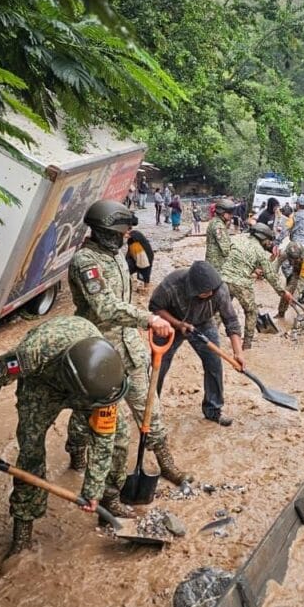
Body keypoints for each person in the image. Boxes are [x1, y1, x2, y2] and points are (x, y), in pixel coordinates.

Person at [0, 317, 132, 554]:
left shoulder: (105, 376)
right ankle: (23, 530)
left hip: (86, 387)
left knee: (119, 439)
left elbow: (104, 438)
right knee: (31, 452)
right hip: (41, 386)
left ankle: (109, 503)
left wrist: (93, 489)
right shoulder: (31, 356)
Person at [66, 200, 191, 486]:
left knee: (149, 406)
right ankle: (76, 450)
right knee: (90, 410)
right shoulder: (86, 262)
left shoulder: (117, 256)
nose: (127, 235)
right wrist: (148, 319)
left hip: (129, 347)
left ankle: (166, 462)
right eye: (123, 231)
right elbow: (105, 307)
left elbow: (125, 299)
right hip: (98, 352)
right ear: (106, 231)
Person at [149, 261, 245, 426]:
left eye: (211, 292)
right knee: (158, 366)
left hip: (203, 323)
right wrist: (178, 324)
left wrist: (238, 353)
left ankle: (213, 410)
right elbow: (155, 307)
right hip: (169, 324)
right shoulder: (172, 284)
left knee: (214, 363)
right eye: (205, 293)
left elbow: (231, 321)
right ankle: (151, 410)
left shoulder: (220, 290)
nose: (210, 294)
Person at [219, 222, 294, 349]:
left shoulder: (238, 238)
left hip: (222, 279)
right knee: (251, 312)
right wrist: (283, 292)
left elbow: (232, 255)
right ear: (262, 237)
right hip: (241, 283)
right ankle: (247, 345)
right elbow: (270, 275)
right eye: (268, 241)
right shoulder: (259, 251)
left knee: (219, 310)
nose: (269, 244)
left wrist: (254, 269)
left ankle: (211, 337)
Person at [205, 198, 235, 271]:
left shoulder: (215, 221)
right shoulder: (219, 225)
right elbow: (226, 249)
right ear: (222, 212)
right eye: (229, 213)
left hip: (213, 262)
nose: (231, 215)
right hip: (217, 264)